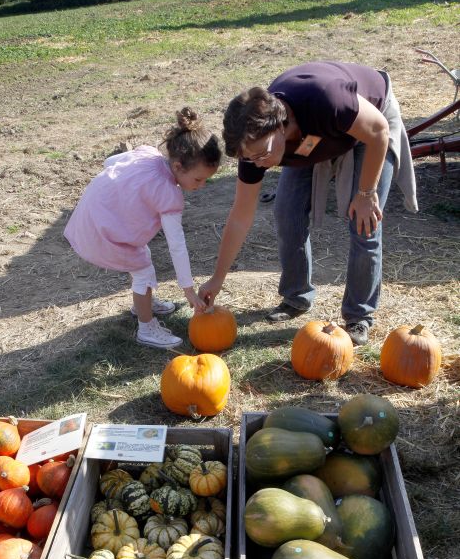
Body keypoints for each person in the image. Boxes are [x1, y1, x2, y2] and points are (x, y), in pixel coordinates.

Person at [199, 61, 417, 346]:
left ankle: (359, 315)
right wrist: (217, 279)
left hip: (372, 127)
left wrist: (366, 194)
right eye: (250, 158)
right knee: (287, 212)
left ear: (280, 126)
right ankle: (296, 297)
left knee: (364, 222)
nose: (258, 163)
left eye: (261, 155)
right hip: (315, 137)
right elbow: (240, 216)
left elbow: (378, 130)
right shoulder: (254, 147)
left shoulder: (326, 100)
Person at [65, 108, 221, 348]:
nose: (201, 185)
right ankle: (146, 328)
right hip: (102, 236)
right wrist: (188, 290)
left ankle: (143, 303)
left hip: (89, 219)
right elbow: (177, 246)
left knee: (141, 256)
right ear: (178, 166)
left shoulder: (147, 154)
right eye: (198, 179)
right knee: (143, 270)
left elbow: (110, 163)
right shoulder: (168, 195)